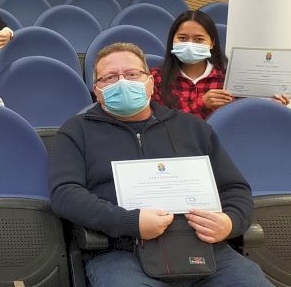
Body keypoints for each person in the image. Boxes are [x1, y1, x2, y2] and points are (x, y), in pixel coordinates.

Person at [49, 43, 270, 286]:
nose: (122, 82)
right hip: (122, 251)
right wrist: (129, 222)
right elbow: (65, 193)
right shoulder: (76, 131)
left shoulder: (193, 128)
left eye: (132, 74)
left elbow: (234, 188)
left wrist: (229, 222)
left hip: (204, 248)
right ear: (97, 90)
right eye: (110, 77)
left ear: (150, 81)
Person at [152, 10, 288, 119]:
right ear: (172, 40)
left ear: (212, 43)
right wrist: (201, 104)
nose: (190, 44)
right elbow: (158, 123)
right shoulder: (156, 78)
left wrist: (272, 106)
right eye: (182, 38)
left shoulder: (229, 79)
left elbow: (247, 118)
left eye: (199, 39)